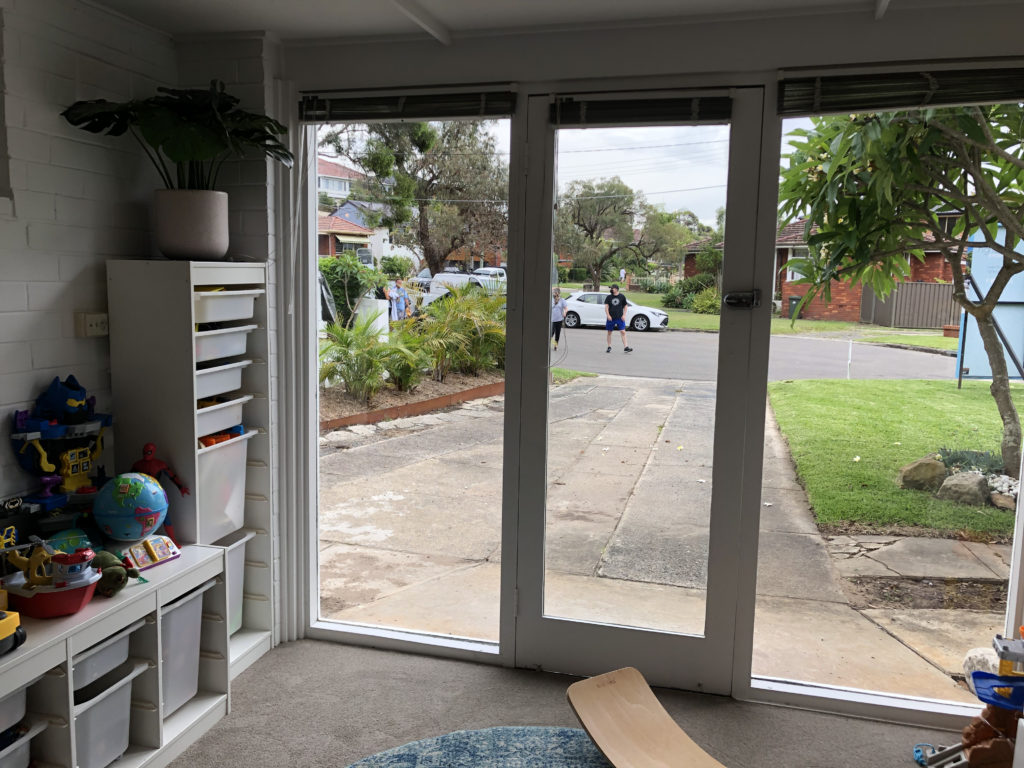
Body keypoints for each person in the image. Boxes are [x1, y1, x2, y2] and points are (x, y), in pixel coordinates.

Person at [604, 284, 633, 353]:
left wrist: (624, 315)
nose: (611, 289)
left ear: (616, 289)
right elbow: (606, 307)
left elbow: (625, 306)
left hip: (620, 317)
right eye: (611, 288)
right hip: (611, 318)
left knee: (623, 332)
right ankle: (609, 346)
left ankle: (626, 347)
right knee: (609, 332)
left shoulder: (622, 296)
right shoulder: (609, 297)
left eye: (612, 288)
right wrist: (608, 315)